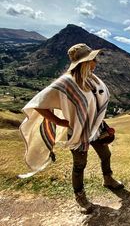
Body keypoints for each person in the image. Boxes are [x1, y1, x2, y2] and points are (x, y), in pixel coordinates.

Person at [19, 43, 124, 213]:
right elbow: (37, 104)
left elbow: (97, 102)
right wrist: (59, 122)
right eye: (93, 59)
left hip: (96, 128)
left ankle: (108, 178)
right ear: (85, 62)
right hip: (78, 131)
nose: (96, 62)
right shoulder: (66, 82)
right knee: (79, 165)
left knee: (106, 154)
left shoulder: (92, 79)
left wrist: (99, 121)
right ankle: (80, 197)